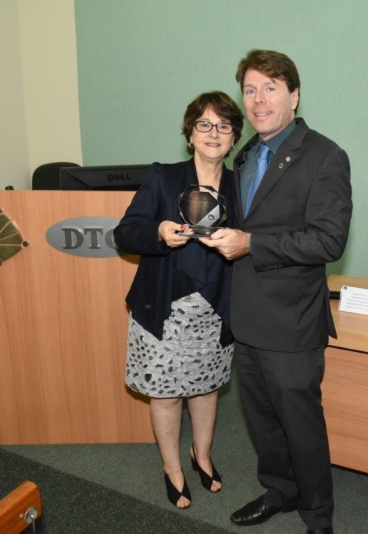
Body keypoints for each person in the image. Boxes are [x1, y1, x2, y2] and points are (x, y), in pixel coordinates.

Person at [202, 49, 352, 534]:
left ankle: (318, 517)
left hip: (291, 322)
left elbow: (329, 239)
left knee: (301, 427)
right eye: (250, 89)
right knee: (262, 421)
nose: (258, 100)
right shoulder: (244, 154)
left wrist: (252, 243)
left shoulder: (325, 155)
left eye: (270, 88)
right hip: (246, 316)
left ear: (294, 94)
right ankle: (280, 491)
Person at [113, 91, 242, 509]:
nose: (213, 133)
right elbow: (125, 232)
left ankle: (201, 454)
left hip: (216, 306)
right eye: (203, 124)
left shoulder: (244, 186)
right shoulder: (163, 177)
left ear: (234, 137)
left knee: (206, 390)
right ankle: (172, 466)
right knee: (166, 394)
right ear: (189, 133)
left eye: (223, 125)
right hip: (163, 306)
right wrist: (158, 233)